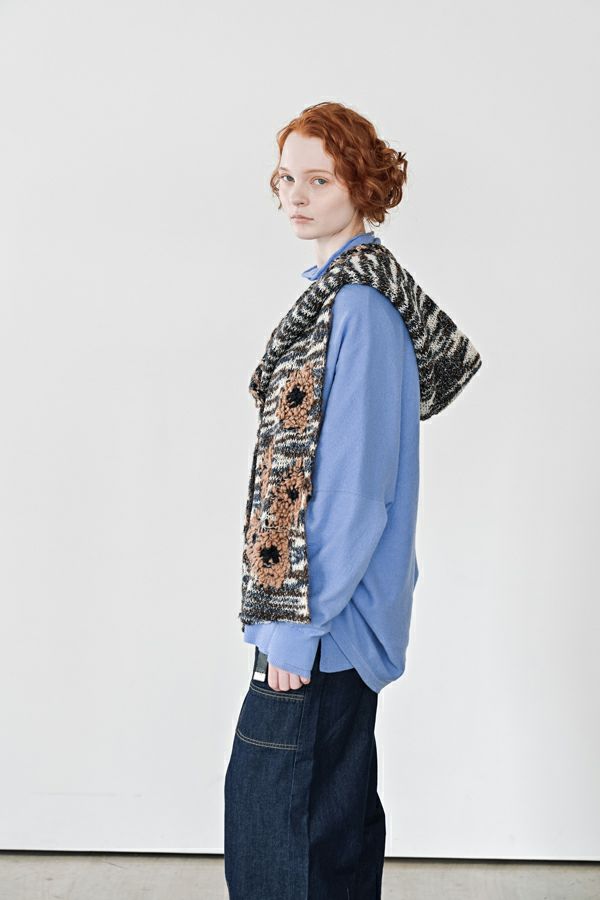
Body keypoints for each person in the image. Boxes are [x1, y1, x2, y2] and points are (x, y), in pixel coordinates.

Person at [224, 101, 481, 900]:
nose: (294, 197)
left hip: (320, 627)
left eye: (319, 180)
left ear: (362, 185)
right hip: (324, 623)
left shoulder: (360, 308)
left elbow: (351, 492)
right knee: (326, 845)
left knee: (281, 853)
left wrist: (293, 632)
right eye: (285, 179)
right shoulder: (347, 296)